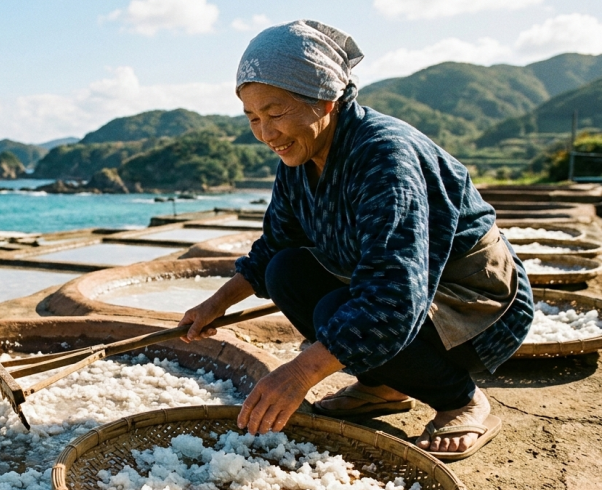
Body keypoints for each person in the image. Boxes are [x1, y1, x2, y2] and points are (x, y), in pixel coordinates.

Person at [179, 20, 534, 461]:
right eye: (253, 118)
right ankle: (382, 384)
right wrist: (216, 304)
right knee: (284, 269)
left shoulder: (386, 157)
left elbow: (393, 296)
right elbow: (273, 245)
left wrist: (298, 374)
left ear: (325, 99)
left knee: (338, 312)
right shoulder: (299, 158)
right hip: (411, 293)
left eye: (275, 113)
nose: (266, 134)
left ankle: (461, 399)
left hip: (476, 306)